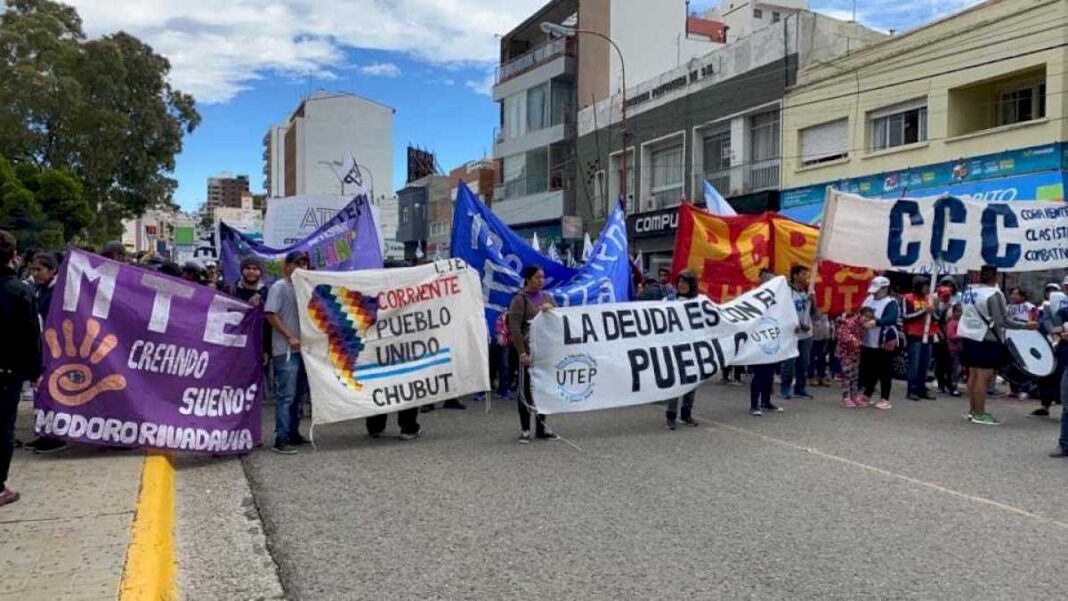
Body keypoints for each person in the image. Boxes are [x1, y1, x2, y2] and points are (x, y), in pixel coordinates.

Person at [958, 265, 1036, 426]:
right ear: (995, 276)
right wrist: (1025, 326)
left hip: (968, 335)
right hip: (986, 338)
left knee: (972, 375)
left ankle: (973, 411)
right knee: (983, 378)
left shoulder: (969, 291)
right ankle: (980, 413)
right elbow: (1002, 321)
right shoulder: (993, 294)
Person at [0, 231, 43, 506]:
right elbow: (31, 335)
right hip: (6, 373)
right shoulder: (19, 291)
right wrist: (35, 371)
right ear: (14, 255)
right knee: (3, 426)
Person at [265, 251, 313, 453]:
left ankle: (293, 432)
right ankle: (281, 437)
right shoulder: (279, 287)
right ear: (288, 266)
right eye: (297, 263)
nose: (301, 266)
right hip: (286, 350)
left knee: (299, 394)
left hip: (305, 350)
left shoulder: (308, 288)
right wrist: (289, 337)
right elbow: (270, 314)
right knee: (286, 394)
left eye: (305, 263)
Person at [507, 265, 560, 443]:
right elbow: (514, 328)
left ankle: (541, 427)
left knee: (543, 390)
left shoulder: (548, 298)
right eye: (537, 277)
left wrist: (550, 310)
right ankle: (525, 429)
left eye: (542, 277)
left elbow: (558, 321)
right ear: (528, 279)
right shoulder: (520, 300)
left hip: (544, 353)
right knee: (525, 391)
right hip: (527, 353)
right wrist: (522, 352)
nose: (541, 281)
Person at [22, 253, 67, 454]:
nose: (35, 273)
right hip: (42, 348)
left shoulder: (58, 290)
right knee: (41, 392)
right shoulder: (39, 289)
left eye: (39, 269)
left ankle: (54, 435)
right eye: (33, 269)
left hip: (55, 349)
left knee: (50, 391)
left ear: (52, 270)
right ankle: (44, 433)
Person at [665, 270, 701, 429]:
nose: (681, 285)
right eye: (680, 282)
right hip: (673, 348)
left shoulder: (699, 303)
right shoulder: (668, 300)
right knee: (675, 385)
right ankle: (671, 417)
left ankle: (686, 415)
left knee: (691, 384)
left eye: (685, 283)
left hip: (693, 349)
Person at [858, 276, 900, 410]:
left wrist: (876, 322)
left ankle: (885, 398)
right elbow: (861, 312)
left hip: (884, 339)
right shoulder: (869, 299)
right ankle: (867, 394)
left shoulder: (891, 302)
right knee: (869, 368)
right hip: (868, 339)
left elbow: (891, 317)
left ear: (885, 288)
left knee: (884, 369)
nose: (875, 293)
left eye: (878, 290)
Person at [780, 265, 815, 400]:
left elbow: (813, 313)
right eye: (803, 274)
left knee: (804, 362)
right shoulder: (787, 291)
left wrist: (813, 301)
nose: (806, 277)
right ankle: (785, 388)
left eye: (807, 275)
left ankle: (800, 388)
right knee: (789, 362)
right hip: (791, 332)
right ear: (795, 276)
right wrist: (799, 324)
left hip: (806, 334)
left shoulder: (809, 291)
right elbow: (784, 311)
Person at [903, 276, 938, 401]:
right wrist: (923, 311)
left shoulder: (930, 299)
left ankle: (921, 388)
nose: (927, 288)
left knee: (925, 363)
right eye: (925, 286)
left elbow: (938, 318)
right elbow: (906, 316)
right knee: (915, 363)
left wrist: (933, 312)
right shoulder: (908, 298)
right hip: (914, 334)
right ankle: (911, 389)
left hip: (928, 334)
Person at [1006, 287, 1038, 401]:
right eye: (1012, 294)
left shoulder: (1029, 307)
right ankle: (1013, 389)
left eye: (1016, 294)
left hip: (1025, 339)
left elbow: (1033, 321)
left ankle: (1025, 389)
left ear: (1023, 296)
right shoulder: (1008, 307)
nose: (1013, 296)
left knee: (1024, 365)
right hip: (1011, 338)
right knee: (1012, 364)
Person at [836, 308, 868, 408]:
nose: (867, 319)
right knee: (847, 376)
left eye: (869, 317)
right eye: (866, 316)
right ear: (860, 314)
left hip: (855, 352)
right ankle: (846, 397)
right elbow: (843, 335)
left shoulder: (862, 325)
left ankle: (854, 396)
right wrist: (857, 342)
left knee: (855, 376)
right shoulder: (850, 322)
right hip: (846, 353)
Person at [809, 312, 831, 387]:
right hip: (813, 335)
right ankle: (811, 377)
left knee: (822, 357)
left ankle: (822, 376)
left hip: (824, 334)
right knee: (812, 358)